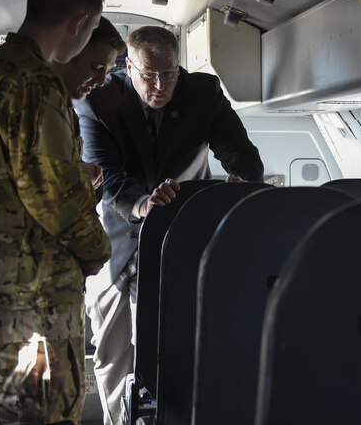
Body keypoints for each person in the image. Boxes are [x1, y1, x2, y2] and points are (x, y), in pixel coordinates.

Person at [74, 25, 264, 425]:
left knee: (170, 347)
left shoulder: (203, 93)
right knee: (112, 352)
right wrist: (143, 204)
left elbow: (242, 153)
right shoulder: (100, 101)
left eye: (170, 74)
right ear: (128, 67)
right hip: (118, 235)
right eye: (149, 75)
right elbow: (108, 177)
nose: (161, 85)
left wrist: (243, 181)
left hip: (180, 233)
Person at [0, 0, 112, 424]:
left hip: (1, 287)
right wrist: (97, 248)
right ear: (78, 23)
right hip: (38, 297)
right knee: (42, 415)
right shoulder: (35, 82)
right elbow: (53, 195)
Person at [52, 16, 127, 191]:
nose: (101, 81)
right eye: (97, 68)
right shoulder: (37, 98)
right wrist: (78, 179)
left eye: (107, 71)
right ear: (71, 53)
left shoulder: (63, 104)